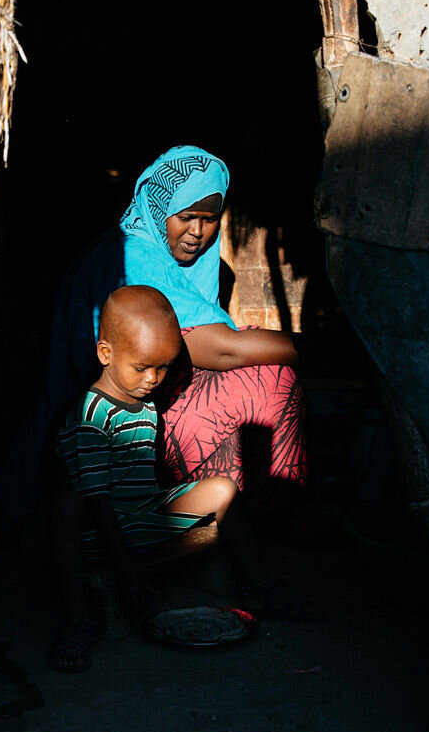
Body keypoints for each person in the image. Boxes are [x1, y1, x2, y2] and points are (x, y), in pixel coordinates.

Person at [1, 144, 307, 528]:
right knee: (266, 380)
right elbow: (221, 350)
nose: (197, 232)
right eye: (186, 216)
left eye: (210, 219)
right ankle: (245, 516)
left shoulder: (162, 256)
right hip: (95, 417)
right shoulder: (137, 258)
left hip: (135, 401)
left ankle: (235, 514)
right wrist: (312, 349)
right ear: (159, 208)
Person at [48, 285, 297, 672]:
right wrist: (127, 571)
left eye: (162, 367)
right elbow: (98, 502)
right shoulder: (91, 415)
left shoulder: (144, 406)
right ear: (105, 353)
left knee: (224, 490)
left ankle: (259, 587)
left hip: (145, 517)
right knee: (67, 505)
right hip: (100, 533)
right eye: (143, 367)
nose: (153, 379)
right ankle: (76, 616)